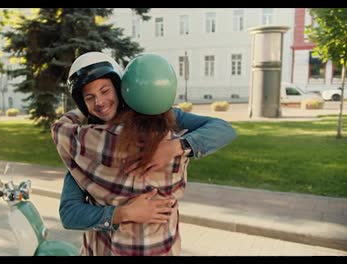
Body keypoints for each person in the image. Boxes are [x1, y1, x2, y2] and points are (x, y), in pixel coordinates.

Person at [52, 53, 236, 255]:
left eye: (105, 91)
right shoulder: (86, 152)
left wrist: (175, 147)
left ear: (121, 89)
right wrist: (121, 214)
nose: (100, 102)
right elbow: (70, 214)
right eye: (89, 97)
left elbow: (223, 128)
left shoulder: (81, 145)